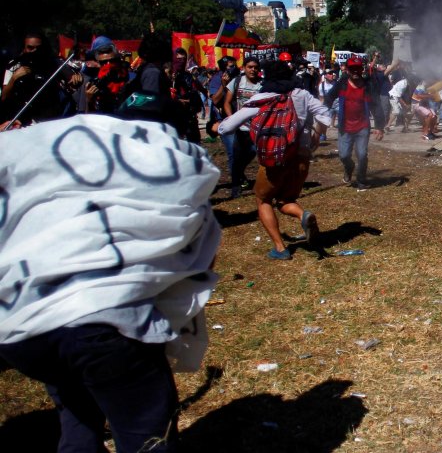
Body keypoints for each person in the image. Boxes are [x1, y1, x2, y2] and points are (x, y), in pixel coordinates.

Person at [0, 105, 221, 453]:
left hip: (23, 327)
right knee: (145, 437)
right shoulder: (173, 182)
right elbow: (198, 263)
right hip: (103, 327)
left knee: (76, 413)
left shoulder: (58, 173)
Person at [218, 60, 331, 260]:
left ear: (266, 77)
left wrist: (218, 127)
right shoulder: (302, 95)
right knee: (287, 199)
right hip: (301, 156)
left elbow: (226, 128)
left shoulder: (260, 98)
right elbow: (324, 114)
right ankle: (302, 215)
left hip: (274, 158)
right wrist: (316, 134)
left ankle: (280, 248)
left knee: (263, 199)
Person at [322, 56, 386, 190]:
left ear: (362, 69)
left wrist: (380, 127)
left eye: (358, 68)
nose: (355, 71)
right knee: (344, 155)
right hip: (345, 127)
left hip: (362, 127)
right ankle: (349, 167)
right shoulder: (342, 84)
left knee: (362, 154)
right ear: (347, 70)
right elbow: (329, 99)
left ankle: (361, 180)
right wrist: (321, 115)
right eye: (352, 69)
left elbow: (376, 106)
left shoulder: (368, 86)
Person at [223, 57, 263, 198]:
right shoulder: (237, 82)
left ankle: (239, 174)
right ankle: (235, 187)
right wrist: (232, 120)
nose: (253, 70)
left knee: (252, 153)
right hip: (239, 128)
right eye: (250, 67)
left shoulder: (262, 85)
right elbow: (227, 102)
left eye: (255, 67)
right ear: (244, 67)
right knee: (236, 156)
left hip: (255, 128)